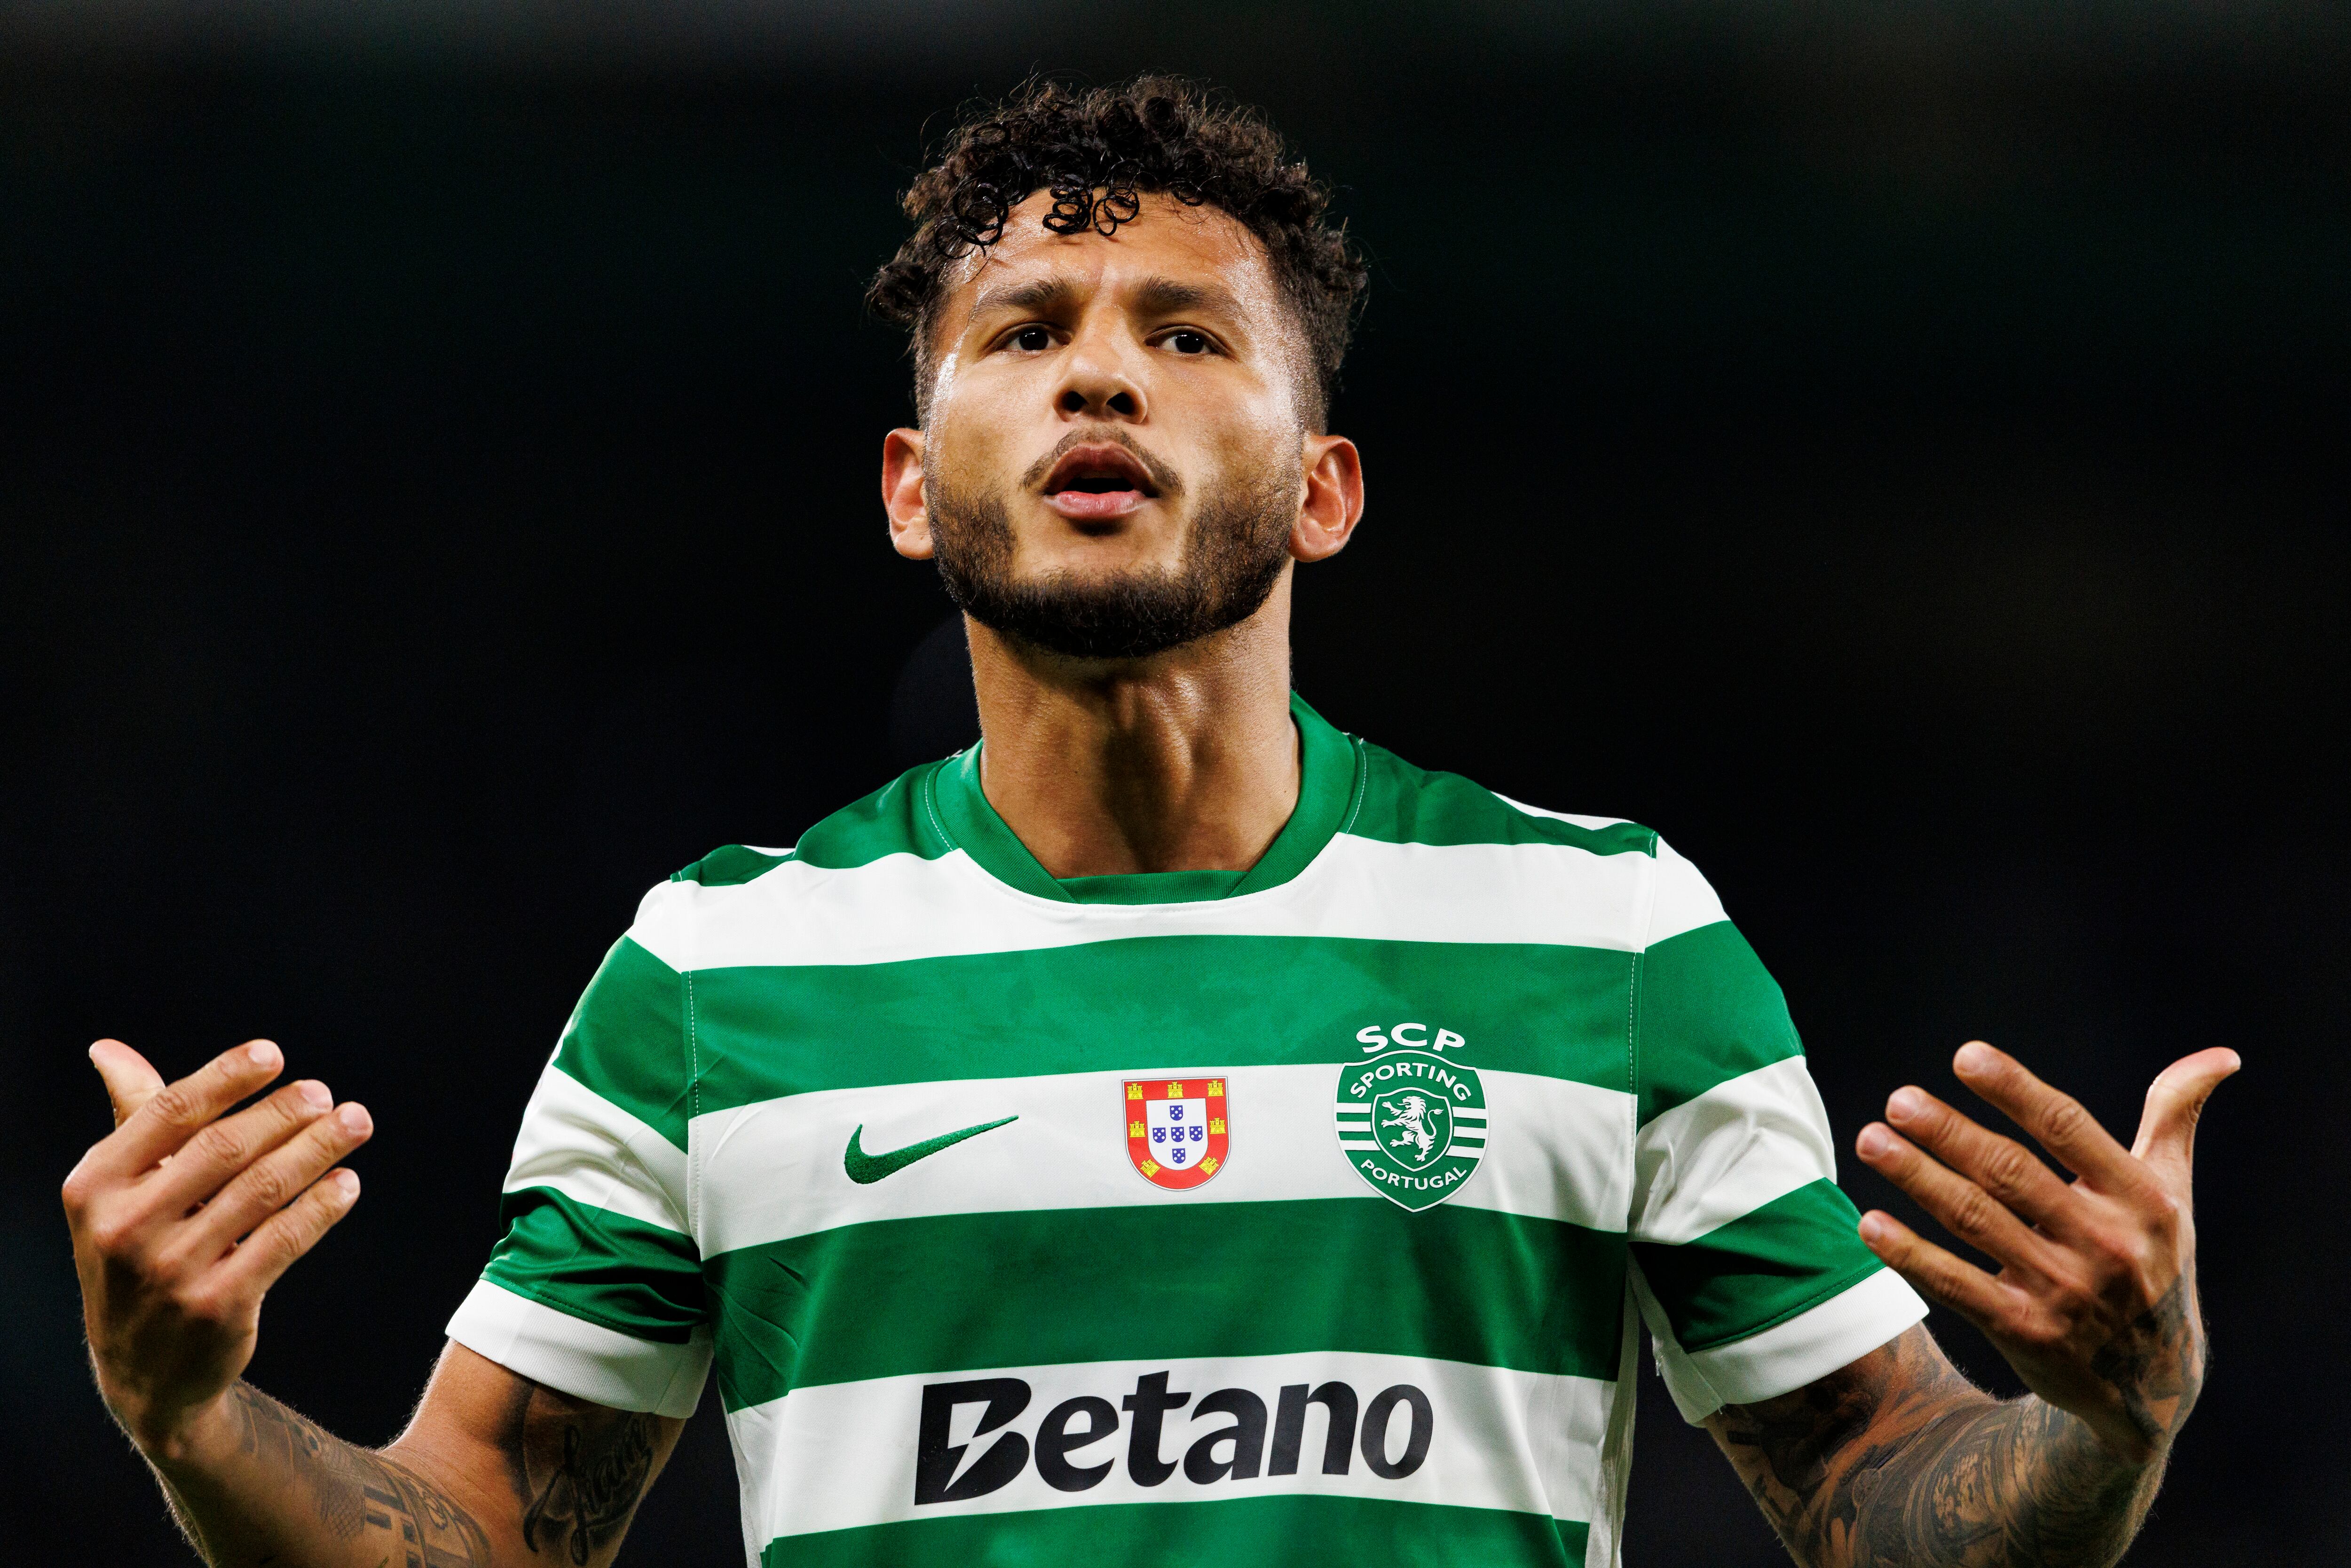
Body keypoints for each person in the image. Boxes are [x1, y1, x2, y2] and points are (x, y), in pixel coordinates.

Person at [62, 76, 2237, 1568]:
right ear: (914, 487)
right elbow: (477, 1524)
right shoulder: (719, 974)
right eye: (1022, 333)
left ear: (1323, 484)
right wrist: (194, 1421)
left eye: (1185, 334)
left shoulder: (1603, 934)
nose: (1097, 377)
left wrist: (2104, 1421)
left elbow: (1877, 1487)